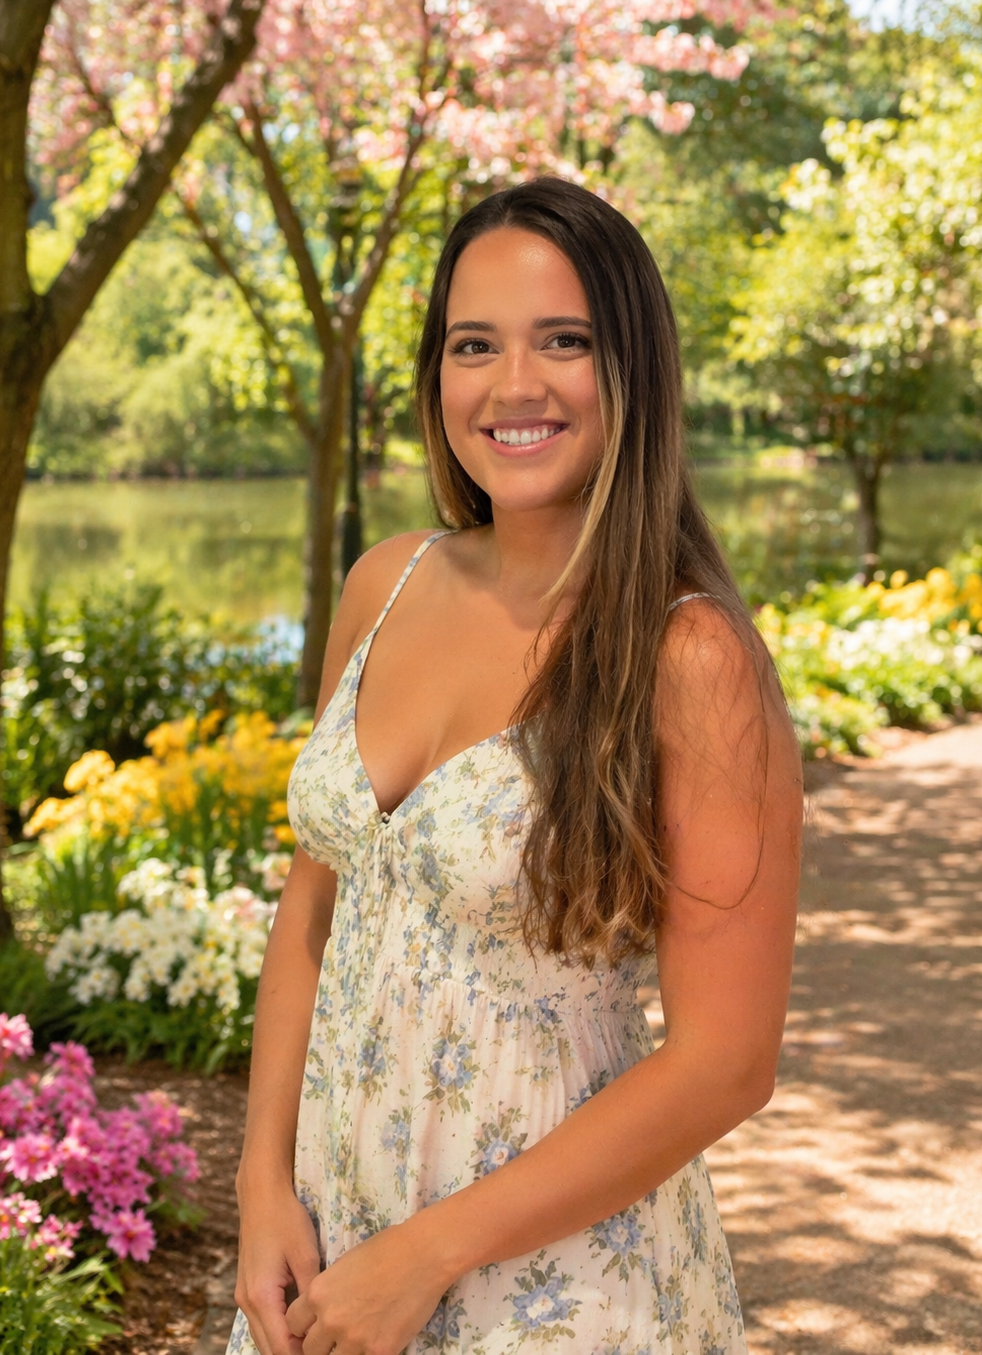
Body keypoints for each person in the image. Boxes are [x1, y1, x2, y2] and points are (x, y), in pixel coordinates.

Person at [229, 177, 802, 1355]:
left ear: (631, 369)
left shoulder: (688, 657)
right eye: (474, 343)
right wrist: (259, 1187)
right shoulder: (382, 583)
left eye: (565, 342)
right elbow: (312, 909)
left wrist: (429, 1252)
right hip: (329, 1260)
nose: (514, 385)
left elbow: (726, 1061)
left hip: (558, 1284)